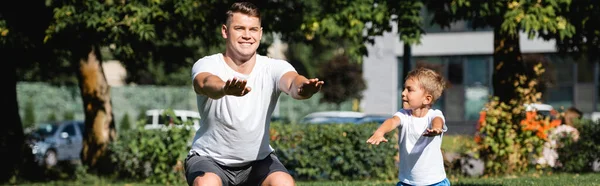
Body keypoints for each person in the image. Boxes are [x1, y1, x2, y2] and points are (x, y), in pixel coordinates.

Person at [185, 2, 324, 186]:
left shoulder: (273, 67)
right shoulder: (208, 64)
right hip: (210, 160)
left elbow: (292, 81)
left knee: (284, 183)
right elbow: (204, 83)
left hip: (258, 162)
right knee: (207, 183)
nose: (247, 35)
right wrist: (225, 88)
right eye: (239, 28)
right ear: (225, 31)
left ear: (260, 33)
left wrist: (302, 87)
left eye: (253, 29)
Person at [366, 67, 450, 186]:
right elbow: (392, 121)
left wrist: (436, 129)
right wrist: (380, 132)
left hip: (435, 181)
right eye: (404, 88)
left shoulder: (434, 115)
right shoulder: (403, 115)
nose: (403, 93)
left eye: (409, 90)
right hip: (407, 182)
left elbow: (438, 121)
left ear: (427, 99)